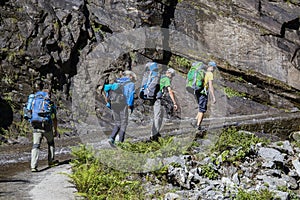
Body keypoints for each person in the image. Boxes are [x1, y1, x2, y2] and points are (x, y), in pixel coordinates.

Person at [30, 83, 58, 172]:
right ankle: (51, 161)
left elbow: (29, 111)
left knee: (36, 145)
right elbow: (54, 118)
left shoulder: (34, 99)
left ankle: (33, 166)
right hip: (47, 125)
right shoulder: (50, 103)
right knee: (50, 143)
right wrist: (55, 130)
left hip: (36, 124)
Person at [105, 70, 136, 145]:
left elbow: (108, 93)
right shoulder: (131, 84)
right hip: (123, 104)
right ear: (130, 76)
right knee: (124, 123)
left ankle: (112, 138)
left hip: (114, 104)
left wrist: (109, 104)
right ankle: (120, 142)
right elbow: (131, 95)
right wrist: (130, 105)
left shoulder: (116, 82)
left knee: (117, 122)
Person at [150, 67, 178, 141]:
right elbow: (170, 91)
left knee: (159, 116)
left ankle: (156, 132)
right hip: (158, 100)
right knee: (157, 117)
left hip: (156, 99)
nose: (172, 77)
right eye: (172, 75)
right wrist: (174, 103)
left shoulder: (160, 77)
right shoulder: (166, 79)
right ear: (169, 73)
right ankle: (153, 135)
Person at [194, 61, 217, 131]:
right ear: (212, 67)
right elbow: (210, 86)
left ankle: (194, 121)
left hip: (197, 91)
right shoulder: (210, 74)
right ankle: (198, 126)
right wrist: (213, 97)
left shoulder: (203, 72)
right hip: (203, 92)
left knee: (200, 107)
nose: (214, 70)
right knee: (202, 109)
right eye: (214, 68)